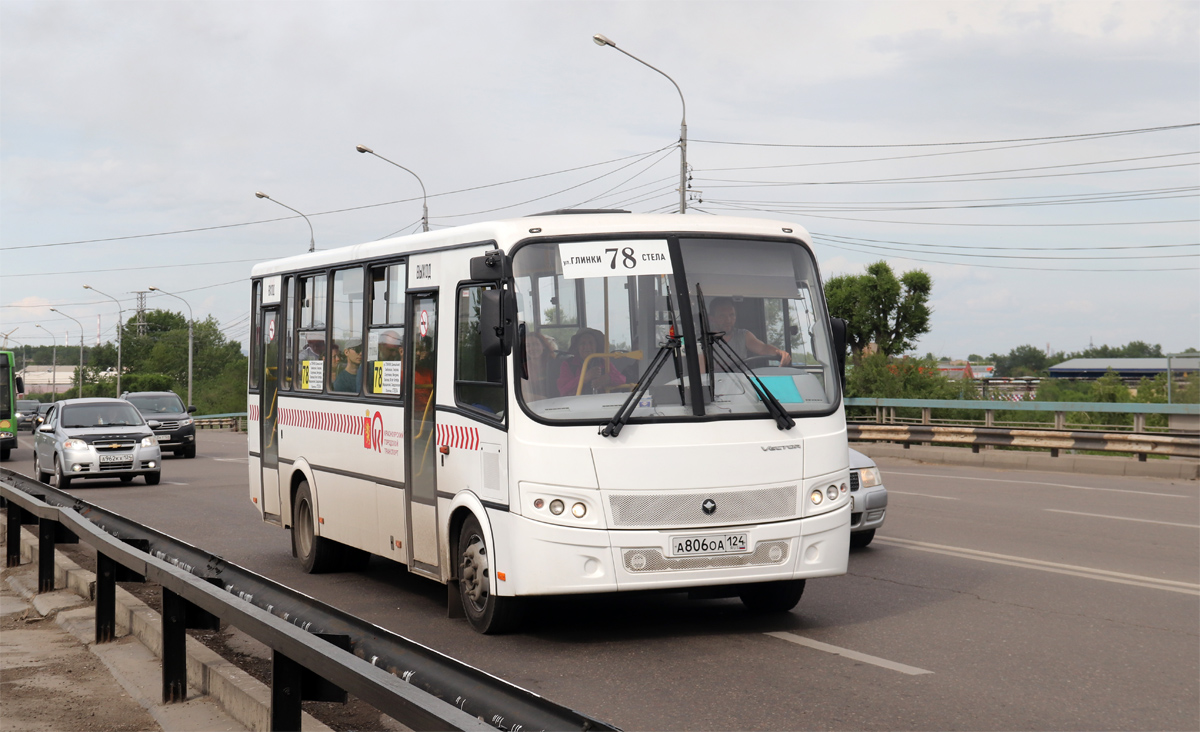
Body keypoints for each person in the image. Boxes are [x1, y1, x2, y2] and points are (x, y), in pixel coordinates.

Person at [708, 297, 792, 367]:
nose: (728, 320)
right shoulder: (703, 342)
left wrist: (779, 352)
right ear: (712, 319)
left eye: (731, 315)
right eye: (722, 316)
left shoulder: (743, 335)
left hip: (742, 383)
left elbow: (763, 348)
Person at [557, 328, 626, 396]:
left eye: (591, 343)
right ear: (577, 347)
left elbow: (622, 379)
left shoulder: (603, 362)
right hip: (576, 404)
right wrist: (584, 378)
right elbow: (563, 390)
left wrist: (608, 378)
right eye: (583, 344)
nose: (587, 347)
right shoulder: (568, 364)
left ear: (596, 346)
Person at [522, 330, 558, 401]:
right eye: (528, 345)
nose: (532, 348)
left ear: (543, 346)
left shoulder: (555, 365)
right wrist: (544, 399)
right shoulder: (522, 367)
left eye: (535, 344)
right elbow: (521, 393)